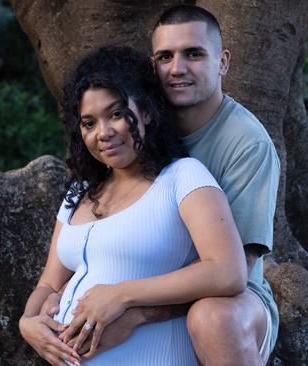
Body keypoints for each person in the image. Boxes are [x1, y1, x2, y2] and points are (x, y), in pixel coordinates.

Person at [41, 5, 281, 365]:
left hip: (230, 301)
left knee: (213, 317)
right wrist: (34, 318)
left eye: (194, 54)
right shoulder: (136, 122)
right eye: (165, 56)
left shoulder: (245, 143)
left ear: (223, 62)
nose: (177, 68)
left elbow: (234, 273)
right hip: (149, 292)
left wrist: (133, 311)